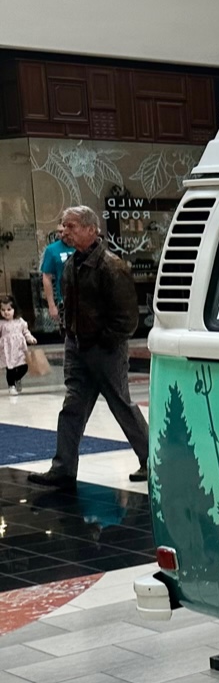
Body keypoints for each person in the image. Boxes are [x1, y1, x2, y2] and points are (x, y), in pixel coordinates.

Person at [28, 206, 148, 488]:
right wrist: (69, 334)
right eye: (62, 226)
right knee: (72, 408)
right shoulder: (72, 264)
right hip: (78, 348)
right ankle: (63, 468)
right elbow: (70, 305)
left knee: (121, 405)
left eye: (70, 226)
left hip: (105, 350)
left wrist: (104, 341)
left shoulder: (111, 266)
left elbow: (127, 318)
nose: (63, 231)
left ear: (91, 230)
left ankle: (150, 461)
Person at [0, 299, 36, 397]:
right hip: (7, 350)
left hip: (20, 348)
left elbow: (25, 332)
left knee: (24, 366)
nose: (6, 312)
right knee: (10, 368)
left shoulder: (20, 321)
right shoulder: (1, 323)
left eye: (9, 309)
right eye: (3, 310)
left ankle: (17, 378)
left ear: (14, 309)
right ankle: (11, 386)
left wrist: (30, 338)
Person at [39, 230, 72, 333]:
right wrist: (52, 305)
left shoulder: (83, 246)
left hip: (87, 299)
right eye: (60, 231)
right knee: (68, 335)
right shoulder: (52, 249)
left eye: (65, 230)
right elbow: (46, 277)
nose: (63, 234)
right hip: (64, 299)